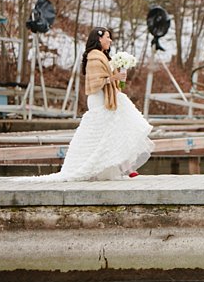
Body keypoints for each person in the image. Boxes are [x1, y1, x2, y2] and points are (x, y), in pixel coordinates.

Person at [22, 28, 153, 181]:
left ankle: (125, 166)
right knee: (105, 132)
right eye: (107, 37)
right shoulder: (94, 58)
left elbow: (112, 81)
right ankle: (120, 167)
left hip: (107, 97)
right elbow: (96, 82)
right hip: (98, 99)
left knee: (114, 130)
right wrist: (114, 77)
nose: (110, 40)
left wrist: (119, 78)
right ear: (99, 40)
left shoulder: (104, 57)